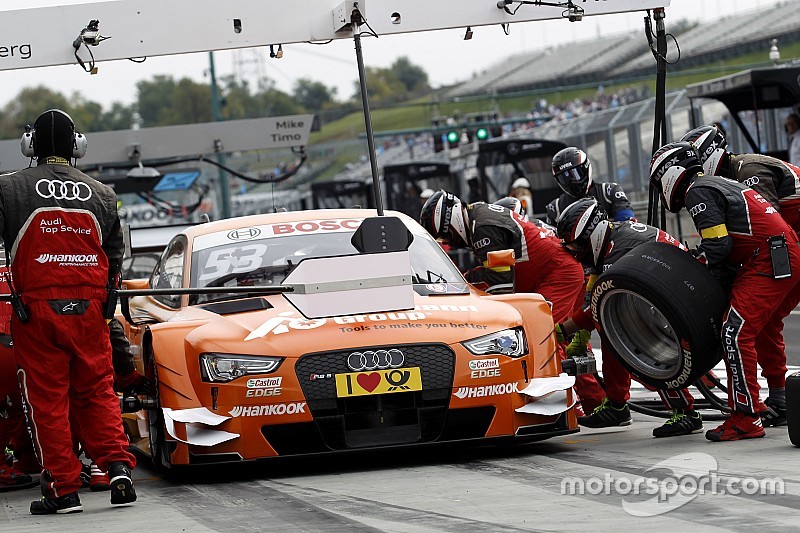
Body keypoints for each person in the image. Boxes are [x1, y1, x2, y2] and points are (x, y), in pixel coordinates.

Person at [0, 109, 137, 513]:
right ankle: (117, 468)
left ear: (30, 146)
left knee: (48, 401)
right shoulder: (103, 193)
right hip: (90, 310)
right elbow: (115, 259)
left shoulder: (8, 187)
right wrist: (105, 306)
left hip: (37, 310)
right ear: (77, 146)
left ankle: (62, 490)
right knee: (97, 391)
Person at [649, 141, 800, 442]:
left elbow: (717, 246)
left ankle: (746, 417)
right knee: (755, 327)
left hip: (769, 257)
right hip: (778, 253)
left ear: (670, 171)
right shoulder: (715, 184)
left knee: (735, 332)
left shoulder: (697, 191)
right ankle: (771, 400)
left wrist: (692, 264)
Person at [420, 190, 606, 412]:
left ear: (451, 222)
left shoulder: (483, 227)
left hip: (557, 275)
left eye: (445, 236)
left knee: (543, 339)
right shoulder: (479, 216)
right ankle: (595, 401)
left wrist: (464, 280)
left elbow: (500, 284)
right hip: (558, 272)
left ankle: (567, 408)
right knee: (566, 339)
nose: (450, 243)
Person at [553, 198, 702, 437]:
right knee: (611, 328)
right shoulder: (608, 243)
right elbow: (594, 295)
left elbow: (602, 301)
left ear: (592, 234)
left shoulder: (619, 251)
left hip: (686, 296)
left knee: (637, 339)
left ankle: (686, 413)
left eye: (578, 246)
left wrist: (565, 329)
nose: (577, 254)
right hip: (672, 290)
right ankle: (616, 405)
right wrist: (579, 331)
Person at [546, 147, 635, 225]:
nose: (572, 182)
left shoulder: (609, 191)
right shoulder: (555, 208)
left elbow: (627, 222)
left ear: (586, 168)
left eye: (575, 174)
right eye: (565, 178)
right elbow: (550, 237)